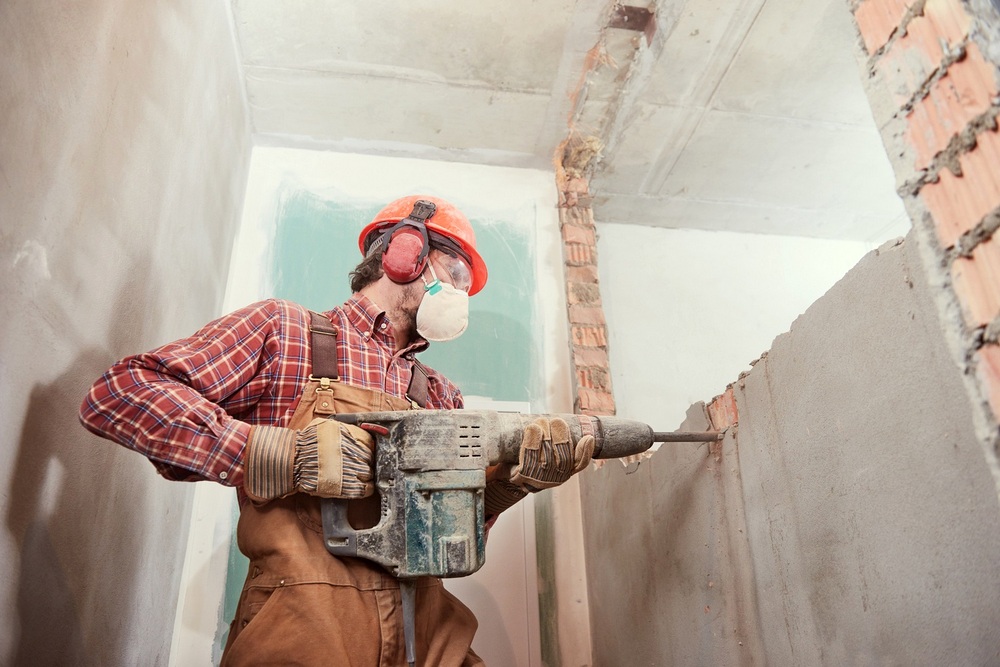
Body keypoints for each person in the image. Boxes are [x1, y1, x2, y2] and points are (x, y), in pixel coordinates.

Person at [79, 194, 595, 666]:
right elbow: (121, 392)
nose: (461, 293)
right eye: (456, 271)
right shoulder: (285, 332)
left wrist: (507, 488)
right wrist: (278, 453)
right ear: (405, 250)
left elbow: (443, 541)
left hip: (430, 636)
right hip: (306, 627)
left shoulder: (441, 395)